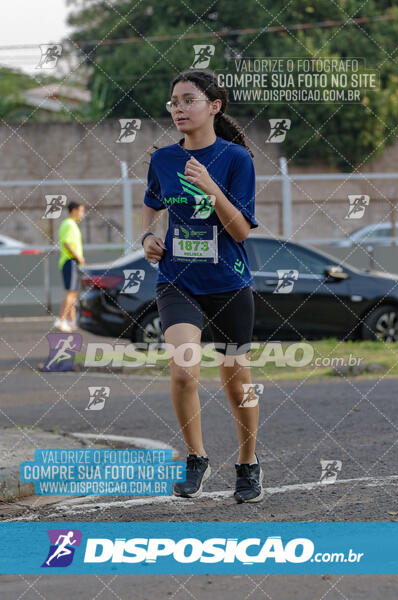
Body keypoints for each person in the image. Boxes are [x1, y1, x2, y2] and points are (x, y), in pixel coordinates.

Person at [141, 69, 263, 504]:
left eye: (188, 100)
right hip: (178, 280)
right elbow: (153, 207)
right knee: (183, 370)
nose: (178, 108)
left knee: (236, 378)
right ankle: (197, 457)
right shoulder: (163, 160)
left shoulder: (235, 160)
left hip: (228, 282)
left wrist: (211, 188)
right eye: (173, 101)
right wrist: (148, 238)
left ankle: (248, 464)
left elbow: (242, 231)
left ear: (214, 106)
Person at [55, 201, 85, 333]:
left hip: (72, 262)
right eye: (81, 211)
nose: (82, 214)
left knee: (73, 292)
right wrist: (78, 257)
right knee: (71, 292)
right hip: (70, 261)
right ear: (74, 210)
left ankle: (72, 322)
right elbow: (67, 243)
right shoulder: (68, 224)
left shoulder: (71, 224)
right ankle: (61, 320)